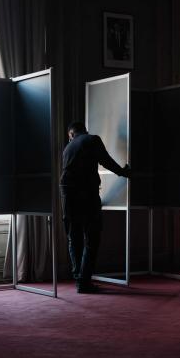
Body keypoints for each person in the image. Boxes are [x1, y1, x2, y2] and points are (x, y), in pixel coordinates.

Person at [60, 121, 129, 293]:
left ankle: (79, 280)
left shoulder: (67, 149)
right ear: (84, 130)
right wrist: (123, 172)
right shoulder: (91, 140)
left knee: (73, 238)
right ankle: (84, 281)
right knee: (92, 238)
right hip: (86, 193)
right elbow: (106, 161)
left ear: (71, 134)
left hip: (67, 194)